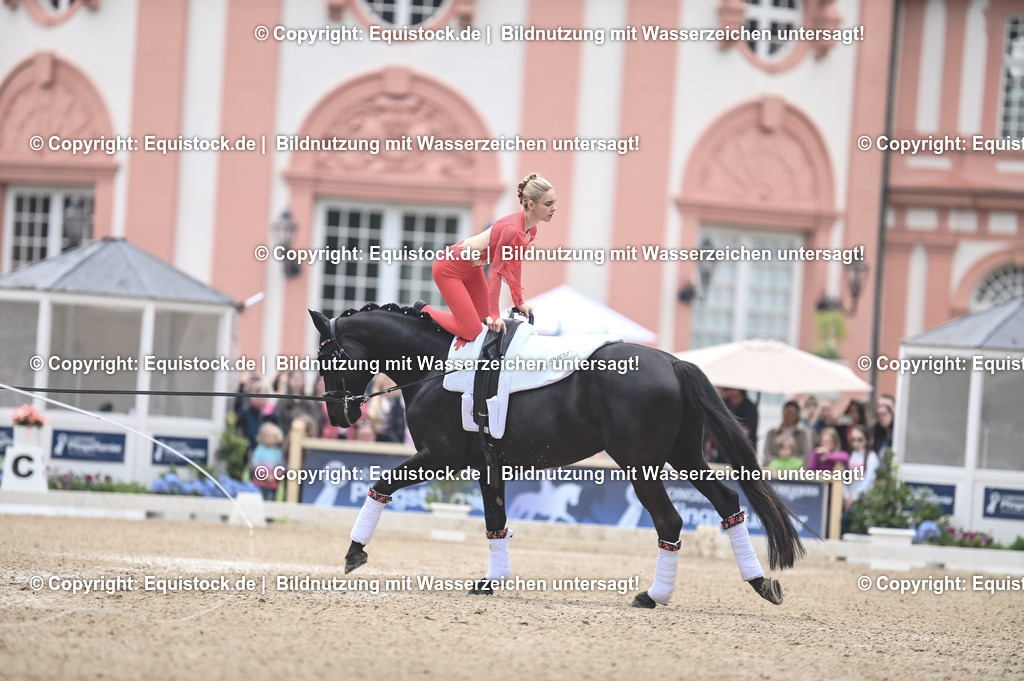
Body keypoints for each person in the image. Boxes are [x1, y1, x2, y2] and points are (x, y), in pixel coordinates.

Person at [419, 173, 556, 346]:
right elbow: (496, 272)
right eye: (548, 204)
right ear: (531, 204)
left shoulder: (531, 230)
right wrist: (495, 314)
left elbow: (515, 267)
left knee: (485, 327)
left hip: (471, 269)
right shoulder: (512, 230)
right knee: (472, 330)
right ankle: (422, 311)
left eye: (554, 203)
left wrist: (519, 302)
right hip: (448, 268)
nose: (554, 208)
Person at [841, 424, 880, 534]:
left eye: (860, 440)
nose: (856, 443)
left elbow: (869, 480)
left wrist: (855, 497)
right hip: (850, 498)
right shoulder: (851, 455)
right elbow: (844, 479)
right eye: (853, 440)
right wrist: (847, 496)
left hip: (864, 500)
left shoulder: (871, 457)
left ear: (867, 440)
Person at [762, 400, 811, 466]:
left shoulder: (803, 434)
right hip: (774, 469)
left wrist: (792, 464)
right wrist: (778, 464)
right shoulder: (772, 433)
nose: (790, 416)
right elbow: (767, 453)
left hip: (795, 470)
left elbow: (806, 454)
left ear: (797, 415)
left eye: (793, 413)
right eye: (788, 412)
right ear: (783, 412)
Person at [251, 422, 285, 502]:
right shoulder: (259, 450)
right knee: (259, 500)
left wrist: (275, 475)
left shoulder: (278, 452)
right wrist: (265, 475)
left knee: (271, 500)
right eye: (267, 436)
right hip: (259, 483)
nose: (269, 438)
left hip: (273, 484)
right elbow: (256, 464)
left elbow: (281, 466)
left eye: (272, 436)